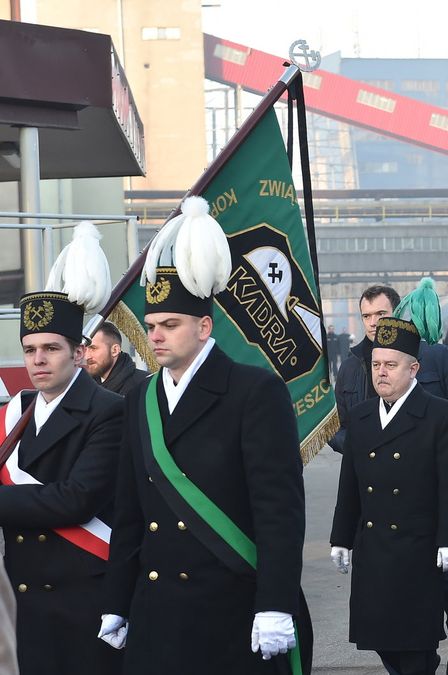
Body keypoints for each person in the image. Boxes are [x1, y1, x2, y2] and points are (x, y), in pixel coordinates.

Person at [101, 197, 312, 674]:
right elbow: (130, 511)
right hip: (157, 609)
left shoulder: (254, 391)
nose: (155, 336)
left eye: (169, 325)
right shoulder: (141, 399)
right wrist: (117, 599)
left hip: (231, 607)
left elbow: (278, 510)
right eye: (152, 326)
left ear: (204, 325)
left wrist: (275, 603)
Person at [331, 282, 448, 673]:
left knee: (416, 640)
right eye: (377, 365)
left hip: (420, 534)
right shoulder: (362, 404)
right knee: (381, 638)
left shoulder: (440, 403)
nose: (381, 372)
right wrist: (341, 537)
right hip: (373, 540)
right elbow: (350, 480)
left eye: (390, 366)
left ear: (413, 368)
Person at [5, 222, 123, 675]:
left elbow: (76, 498)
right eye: (30, 349)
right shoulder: (18, 412)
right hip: (24, 596)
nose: (37, 360)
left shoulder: (107, 409)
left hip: (82, 597)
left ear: (78, 352)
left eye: (51, 348)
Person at [85, 321, 148, 397]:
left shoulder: (144, 385)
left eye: (93, 348)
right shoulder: (86, 388)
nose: (86, 356)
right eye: (84, 349)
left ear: (115, 350)